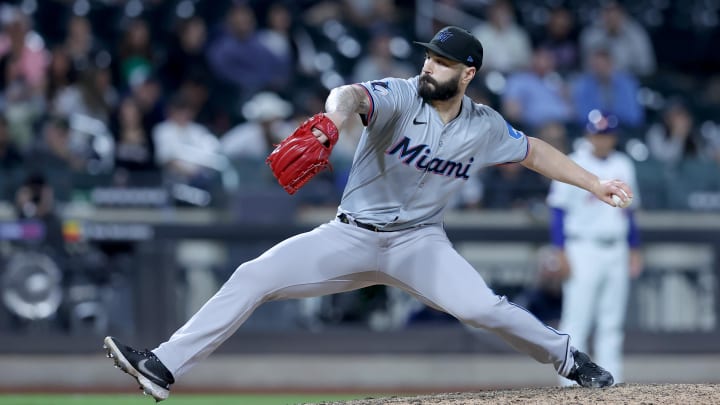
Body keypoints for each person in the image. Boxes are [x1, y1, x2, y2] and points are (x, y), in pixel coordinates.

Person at [103, 26, 631, 401]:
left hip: (419, 243)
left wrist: (593, 182)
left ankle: (569, 360)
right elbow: (349, 94)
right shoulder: (401, 96)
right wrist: (329, 122)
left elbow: (535, 151)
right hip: (350, 235)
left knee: (484, 309)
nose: (429, 65)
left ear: (468, 73)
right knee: (252, 275)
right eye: (428, 56)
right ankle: (162, 365)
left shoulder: (484, 125)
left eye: (443, 62)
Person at [546, 110, 643, 385]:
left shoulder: (623, 164)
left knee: (611, 321)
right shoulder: (572, 163)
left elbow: (630, 212)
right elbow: (557, 211)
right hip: (582, 248)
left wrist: (635, 248)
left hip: (617, 248)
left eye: (607, 134)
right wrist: (560, 251)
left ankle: (612, 382)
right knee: (577, 319)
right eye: (598, 134)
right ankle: (569, 383)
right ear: (588, 135)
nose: (602, 140)